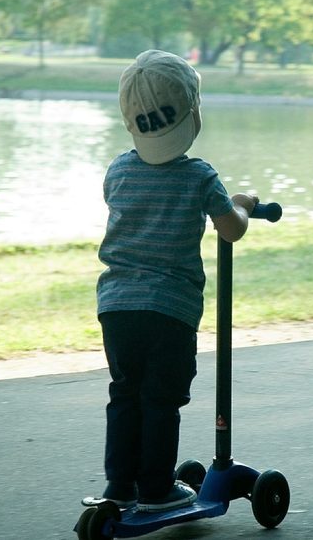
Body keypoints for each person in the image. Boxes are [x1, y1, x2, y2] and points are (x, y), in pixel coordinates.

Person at [87, 50, 258, 513]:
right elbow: (231, 229)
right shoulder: (200, 177)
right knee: (161, 398)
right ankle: (157, 488)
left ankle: (121, 484)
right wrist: (242, 204)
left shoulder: (118, 170)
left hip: (117, 306)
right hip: (170, 310)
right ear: (192, 112)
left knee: (125, 393)